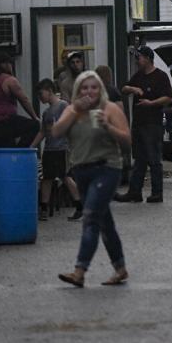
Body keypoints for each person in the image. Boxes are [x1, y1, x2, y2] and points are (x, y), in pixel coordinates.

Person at [53, 71, 132, 288]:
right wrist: (74, 110)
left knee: (90, 216)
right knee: (104, 222)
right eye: (85, 88)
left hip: (107, 168)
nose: (89, 92)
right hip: (81, 170)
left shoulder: (110, 108)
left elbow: (127, 141)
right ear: (78, 90)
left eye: (94, 87)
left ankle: (79, 271)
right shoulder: (72, 110)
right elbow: (56, 132)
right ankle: (120, 268)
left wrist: (109, 127)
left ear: (101, 90)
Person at [116, 46, 172, 203]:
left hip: (153, 123)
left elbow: (168, 97)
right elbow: (124, 88)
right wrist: (133, 88)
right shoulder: (139, 75)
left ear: (147, 58)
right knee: (139, 159)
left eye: (139, 57)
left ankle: (157, 193)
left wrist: (151, 103)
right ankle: (135, 192)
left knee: (154, 159)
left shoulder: (160, 76)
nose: (137, 60)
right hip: (139, 122)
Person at [29, 79, 79, 221]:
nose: (40, 97)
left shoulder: (63, 106)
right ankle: (44, 207)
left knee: (65, 176)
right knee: (47, 178)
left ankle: (79, 204)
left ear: (49, 90)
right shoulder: (46, 113)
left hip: (62, 148)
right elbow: (43, 132)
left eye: (41, 93)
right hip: (50, 149)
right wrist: (31, 146)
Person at [0, 52, 39, 148]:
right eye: (10, 64)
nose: (11, 66)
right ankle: (18, 152)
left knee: (1, 147)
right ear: (4, 64)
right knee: (34, 126)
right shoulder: (9, 80)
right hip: (4, 122)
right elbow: (24, 100)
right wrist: (35, 117)